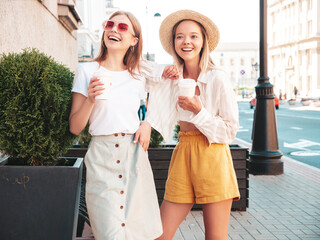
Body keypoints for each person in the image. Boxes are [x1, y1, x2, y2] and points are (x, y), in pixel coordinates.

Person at [69, 11, 179, 240]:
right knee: (109, 233)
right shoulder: (87, 71)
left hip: (134, 155)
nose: (113, 30)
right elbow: (74, 127)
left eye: (122, 27)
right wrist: (90, 99)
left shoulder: (138, 74)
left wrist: (147, 123)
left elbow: (165, 90)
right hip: (102, 156)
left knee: (139, 232)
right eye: (110, 24)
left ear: (134, 40)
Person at [146, 10, 240, 240]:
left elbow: (229, 131)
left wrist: (198, 111)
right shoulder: (171, 76)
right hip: (184, 151)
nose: (186, 41)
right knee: (159, 235)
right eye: (179, 36)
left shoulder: (218, 77)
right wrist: (161, 74)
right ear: (173, 42)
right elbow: (132, 65)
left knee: (215, 237)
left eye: (193, 36)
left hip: (213, 155)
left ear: (203, 41)